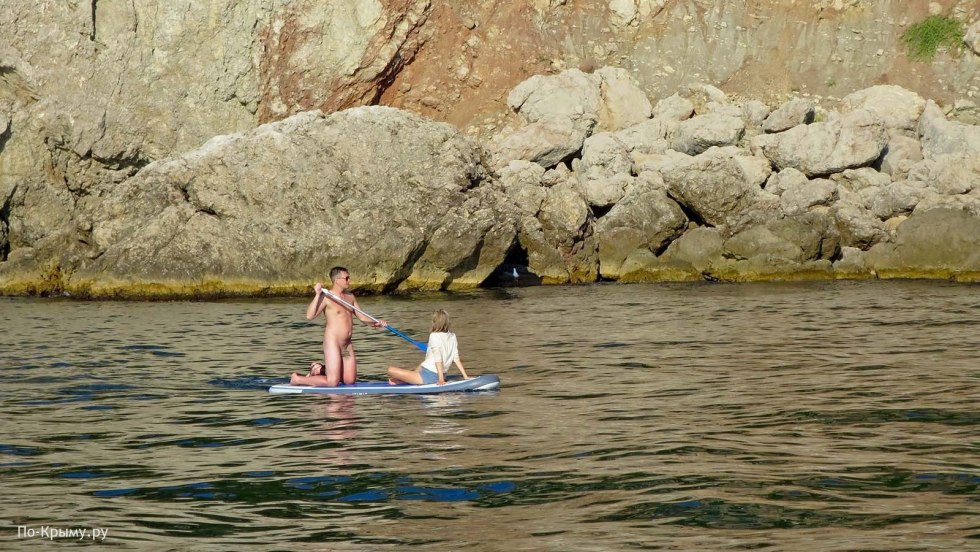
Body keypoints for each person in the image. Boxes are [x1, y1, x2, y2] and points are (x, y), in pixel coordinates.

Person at [290, 267, 386, 387]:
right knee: (332, 382)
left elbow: (362, 317)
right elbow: (310, 316)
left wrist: (376, 322)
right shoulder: (327, 297)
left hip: (346, 344)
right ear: (337, 280)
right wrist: (317, 294)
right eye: (346, 278)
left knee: (349, 381)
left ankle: (318, 370)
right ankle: (297, 379)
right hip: (333, 342)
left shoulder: (350, 296)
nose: (349, 281)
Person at [387, 309, 472, 385]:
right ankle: (405, 380)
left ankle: (406, 379)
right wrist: (465, 376)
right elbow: (456, 358)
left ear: (434, 322)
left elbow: (438, 359)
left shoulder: (434, 336)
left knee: (390, 370)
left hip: (430, 376)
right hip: (438, 372)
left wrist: (441, 380)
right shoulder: (453, 336)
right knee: (422, 364)